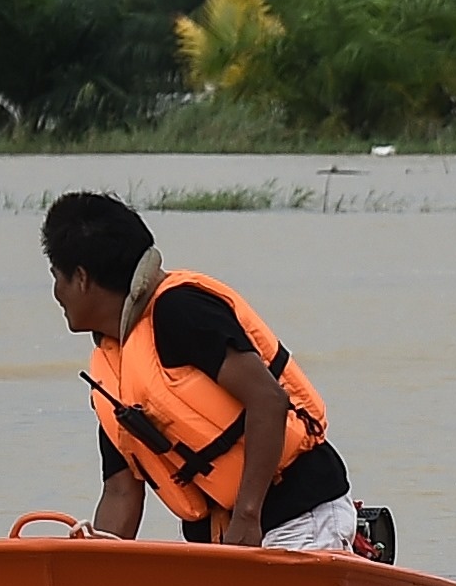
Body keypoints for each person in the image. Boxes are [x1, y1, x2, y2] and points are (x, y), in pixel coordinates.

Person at [40, 191, 372, 553]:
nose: (56, 292)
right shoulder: (113, 370)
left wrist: (247, 516)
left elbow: (267, 399)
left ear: (83, 278)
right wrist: (91, 571)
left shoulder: (178, 309)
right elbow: (121, 490)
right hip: (225, 540)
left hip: (295, 516)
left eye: (57, 276)